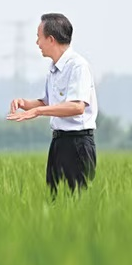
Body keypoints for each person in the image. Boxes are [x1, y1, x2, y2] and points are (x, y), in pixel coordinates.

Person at [7, 13, 98, 196]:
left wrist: (39, 111)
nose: (37, 43)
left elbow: (77, 107)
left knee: (77, 201)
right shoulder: (54, 69)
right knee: (55, 201)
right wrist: (25, 104)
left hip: (77, 144)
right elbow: (47, 102)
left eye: (38, 37)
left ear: (50, 39)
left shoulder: (78, 66)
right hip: (58, 143)